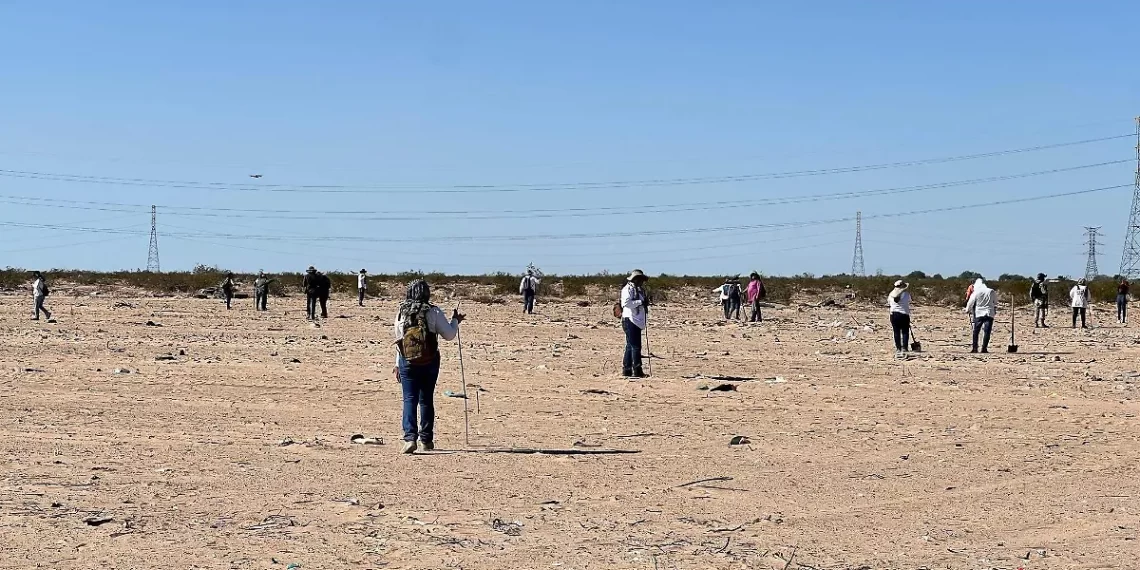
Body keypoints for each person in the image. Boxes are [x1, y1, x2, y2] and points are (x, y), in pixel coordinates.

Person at [392, 279, 464, 454]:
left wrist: (397, 364)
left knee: (409, 399)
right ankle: (426, 439)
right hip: (430, 360)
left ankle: (410, 438)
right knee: (426, 399)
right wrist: (455, 320)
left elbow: (400, 339)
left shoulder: (402, 312)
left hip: (406, 361)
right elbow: (449, 335)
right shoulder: (433, 311)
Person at [621, 270, 650, 378]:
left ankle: (627, 370)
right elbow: (626, 303)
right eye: (640, 279)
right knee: (635, 346)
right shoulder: (628, 289)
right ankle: (637, 370)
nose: (642, 282)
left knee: (630, 346)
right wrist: (640, 302)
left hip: (636, 320)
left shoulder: (639, 290)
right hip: (630, 319)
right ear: (635, 279)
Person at [966, 277, 997, 353]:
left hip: (979, 314)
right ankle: (984, 349)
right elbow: (995, 302)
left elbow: (970, 302)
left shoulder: (976, 292)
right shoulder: (991, 291)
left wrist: (967, 310)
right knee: (987, 331)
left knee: (976, 331)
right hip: (989, 313)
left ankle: (975, 348)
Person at [888, 280, 912, 359]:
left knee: (896, 332)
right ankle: (904, 349)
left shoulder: (891, 294)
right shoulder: (906, 294)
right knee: (905, 332)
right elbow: (909, 301)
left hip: (894, 314)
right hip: (904, 314)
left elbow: (889, 303)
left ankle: (898, 349)